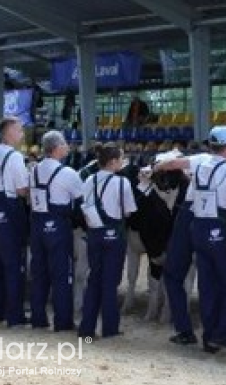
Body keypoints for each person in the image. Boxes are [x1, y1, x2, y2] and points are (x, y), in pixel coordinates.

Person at [186, 125, 226, 353]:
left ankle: (209, 336)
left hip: (199, 228)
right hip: (222, 231)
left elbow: (191, 199)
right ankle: (224, 333)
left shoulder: (200, 167)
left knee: (208, 285)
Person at [153, 148, 214, 346]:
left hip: (190, 214)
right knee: (210, 279)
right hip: (215, 219)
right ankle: (212, 334)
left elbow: (170, 164)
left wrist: (158, 166)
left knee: (173, 274)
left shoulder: (203, 159)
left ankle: (185, 330)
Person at [78, 143, 137, 338]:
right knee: (110, 282)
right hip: (114, 236)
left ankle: (86, 327)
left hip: (94, 234)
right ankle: (110, 328)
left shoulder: (88, 180)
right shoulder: (122, 183)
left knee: (94, 278)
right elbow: (129, 211)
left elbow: (84, 205)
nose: (123, 162)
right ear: (113, 162)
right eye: (121, 158)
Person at [29, 131, 84, 332]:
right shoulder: (68, 173)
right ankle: (62, 321)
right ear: (57, 147)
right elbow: (82, 198)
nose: (68, 147)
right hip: (58, 227)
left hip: (37, 225)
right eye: (65, 144)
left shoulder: (33, 170)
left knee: (39, 273)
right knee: (62, 275)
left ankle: (38, 318)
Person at [0, 116, 31, 327]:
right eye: (20, 130)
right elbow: (21, 190)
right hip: (10, 209)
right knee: (13, 265)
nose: (22, 134)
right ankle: (15, 315)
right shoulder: (14, 157)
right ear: (9, 132)